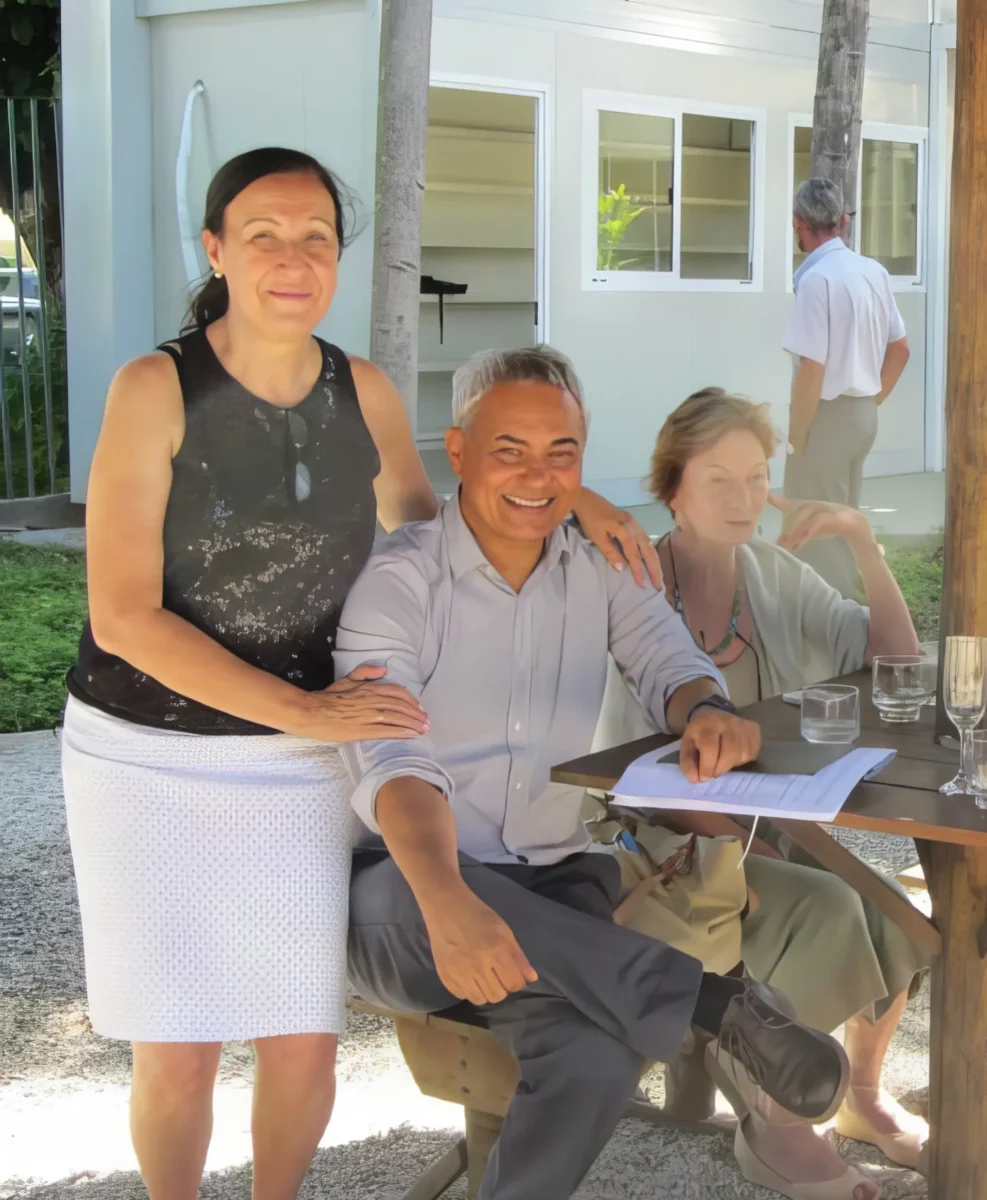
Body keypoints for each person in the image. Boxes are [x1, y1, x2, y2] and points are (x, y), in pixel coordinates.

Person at [334, 347, 853, 1200]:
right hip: (409, 896)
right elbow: (393, 763)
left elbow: (666, 658)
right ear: (459, 452)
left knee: (598, 1043)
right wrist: (450, 902)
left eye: (561, 454)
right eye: (510, 450)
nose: (538, 477)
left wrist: (705, 710)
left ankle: (699, 1008)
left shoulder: (600, 567)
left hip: (556, 891)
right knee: (424, 889)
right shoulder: (400, 582)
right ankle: (714, 1006)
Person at [59, 148, 444, 1199]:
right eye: (264, 235)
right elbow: (125, 617)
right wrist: (311, 711)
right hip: (144, 756)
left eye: (316, 236)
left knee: (302, 1039)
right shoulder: (154, 388)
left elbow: (427, 537)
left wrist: (558, 504)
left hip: (300, 758)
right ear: (217, 250)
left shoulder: (363, 389)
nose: (293, 257)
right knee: (178, 1049)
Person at [596, 387, 930, 1198]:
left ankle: (857, 1095)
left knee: (901, 913)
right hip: (647, 840)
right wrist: (736, 843)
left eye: (757, 477)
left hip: (757, 831)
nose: (745, 498)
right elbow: (608, 765)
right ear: (670, 487)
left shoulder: (770, 574)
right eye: (719, 480)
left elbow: (898, 662)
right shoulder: (626, 580)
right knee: (828, 906)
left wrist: (860, 539)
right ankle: (779, 1122)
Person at [782, 178, 910, 600]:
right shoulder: (873, 271)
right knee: (844, 523)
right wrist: (871, 401)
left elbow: (812, 371)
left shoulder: (817, 280)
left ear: (799, 224)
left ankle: (831, 631)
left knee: (817, 535)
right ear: (842, 220)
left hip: (827, 417)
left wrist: (796, 437)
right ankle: (854, 618)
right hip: (862, 416)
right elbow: (901, 350)